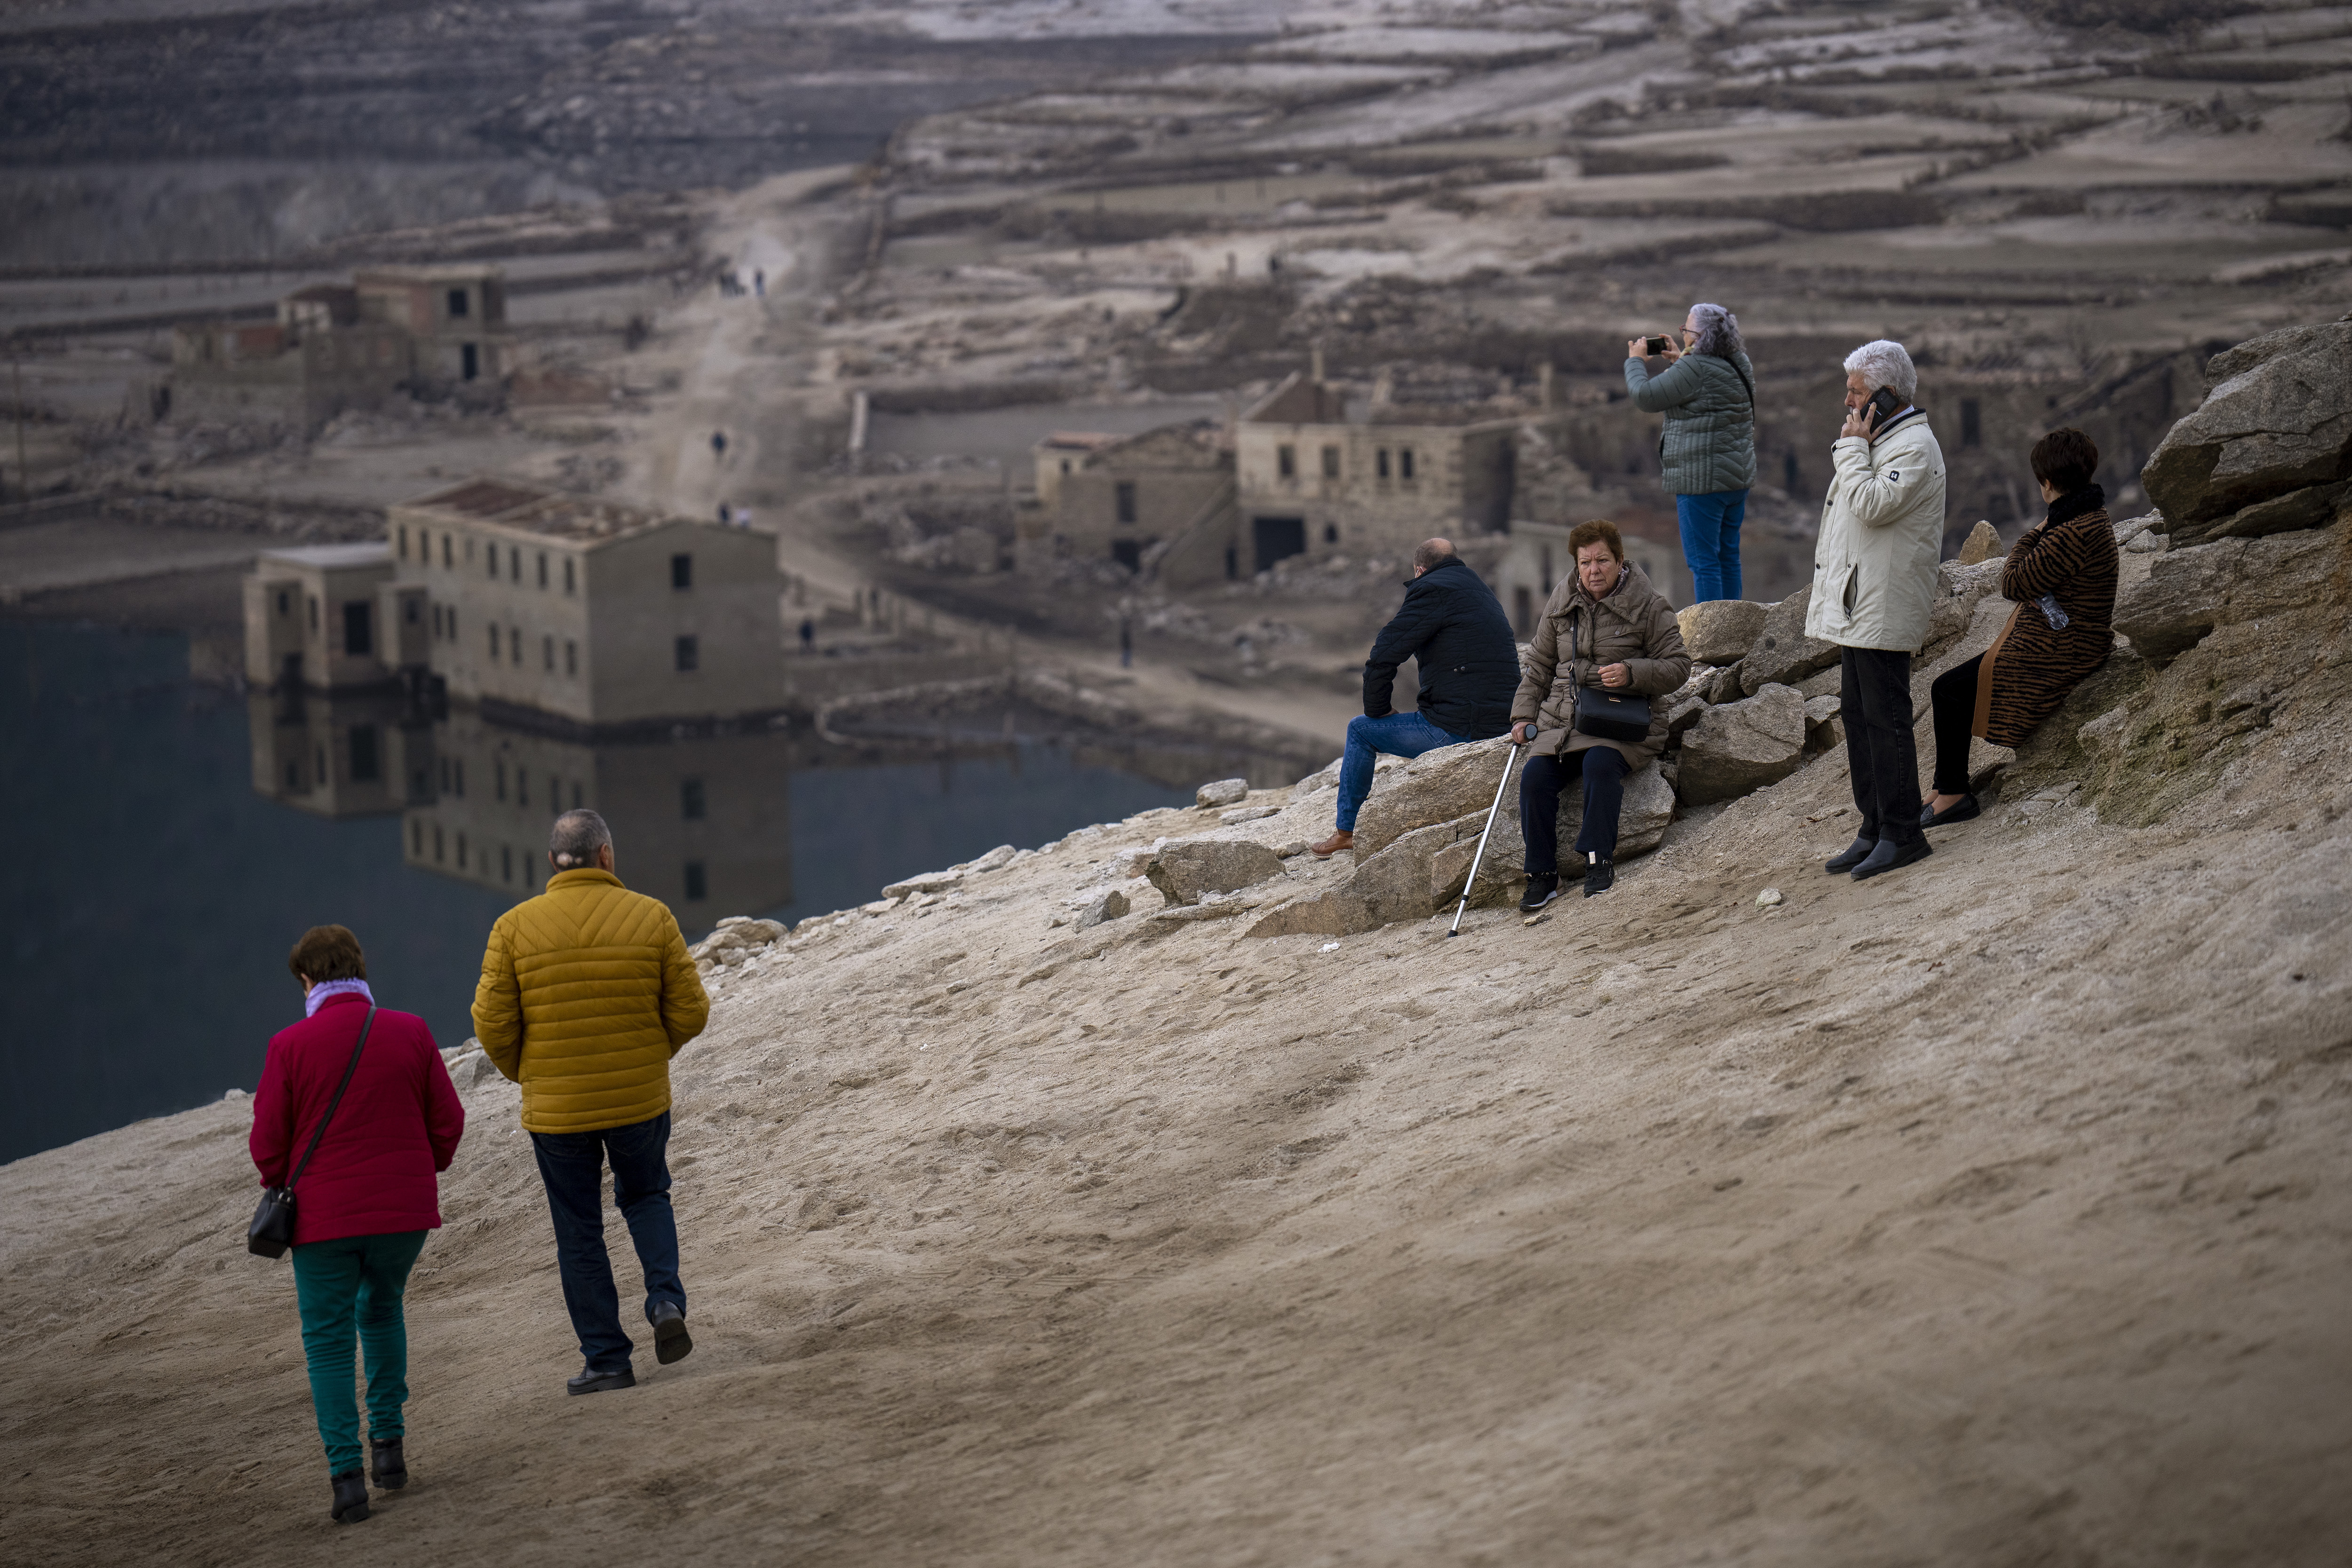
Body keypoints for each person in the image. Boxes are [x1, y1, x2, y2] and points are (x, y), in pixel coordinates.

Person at [474, 810, 711, 1396]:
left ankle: (606, 1359)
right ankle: (663, 1301)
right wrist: (651, 1054)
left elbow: (493, 1025)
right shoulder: (651, 916)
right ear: (606, 856)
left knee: (578, 1229)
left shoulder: (512, 927)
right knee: (647, 1194)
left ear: (553, 863)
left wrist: (527, 1074)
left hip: (557, 1112)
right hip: (637, 1098)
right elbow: (692, 1011)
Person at [251, 924, 464, 1525]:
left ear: (307, 979)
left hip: (321, 1221)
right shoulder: (411, 1030)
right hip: (402, 1216)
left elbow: (267, 1146)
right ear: (360, 969)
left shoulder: (289, 1046)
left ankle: (347, 1481)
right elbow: (448, 1122)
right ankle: (390, 1451)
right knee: (383, 1307)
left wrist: (285, 1176)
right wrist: (418, 1168)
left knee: (328, 1341)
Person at [1923, 428, 2119, 828]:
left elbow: (2013, 583)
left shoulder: (2070, 532)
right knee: (1952, 687)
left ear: (2047, 484)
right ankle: (1945, 788)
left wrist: (2036, 531)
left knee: (1949, 690)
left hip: (2062, 648)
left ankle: (1954, 794)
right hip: (2063, 638)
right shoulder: (2090, 517)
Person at [1812, 339, 1947, 881]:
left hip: (1883, 603)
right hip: (1859, 602)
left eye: (1856, 391)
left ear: (1888, 396)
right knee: (1856, 716)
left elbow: (1869, 505)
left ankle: (1902, 832)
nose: (1846, 401)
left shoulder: (1912, 447)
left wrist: (1849, 449)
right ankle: (1872, 827)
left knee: (1886, 720)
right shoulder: (1880, 439)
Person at [1509, 520, 1691, 905]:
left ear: (1620, 561)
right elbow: (1540, 664)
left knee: (1599, 766)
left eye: (1603, 561)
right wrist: (1523, 717)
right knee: (1534, 779)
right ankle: (1542, 875)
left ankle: (1598, 860)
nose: (1594, 571)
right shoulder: (1562, 601)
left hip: (1622, 723)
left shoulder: (1649, 605)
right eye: (1585, 562)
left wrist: (1631, 673)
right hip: (1564, 723)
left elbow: (1679, 666)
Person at [1311, 538, 1519, 857]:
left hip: (1462, 727)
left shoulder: (1431, 589)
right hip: (1505, 722)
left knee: (1360, 730)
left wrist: (1378, 709)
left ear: (1419, 570)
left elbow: (1385, 652)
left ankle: (1346, 832)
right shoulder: (1479, 589)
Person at [1625, 303, 1756, 603]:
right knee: (1728, 557)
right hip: (1736, 478)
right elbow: (1705, 396)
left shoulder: (1694, 368)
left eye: (1687, 330)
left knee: (1704, 563)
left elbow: (1645, 397)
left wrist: (1635, 362)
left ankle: (1713, 639)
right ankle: (1735, 629)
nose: (1682, 334)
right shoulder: (1739, 362)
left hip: (1702, 482)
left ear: (1700, 337)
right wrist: (1680, 360)